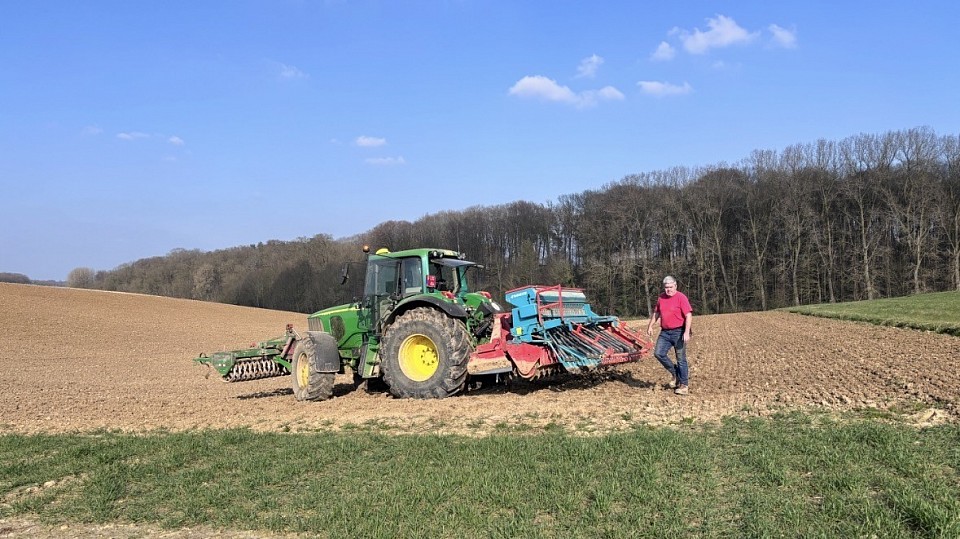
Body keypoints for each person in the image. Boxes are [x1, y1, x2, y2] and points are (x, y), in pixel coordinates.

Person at [646, 276, 693, 395]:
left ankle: (684, 385)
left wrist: (686, 332)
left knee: (681, 358)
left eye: (671, 287)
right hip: (665, 332)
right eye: (666, 287)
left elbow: (688, 315)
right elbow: (657, 312)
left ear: (675, 286)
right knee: (658, 353)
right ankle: (675, 373)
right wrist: (650, 325)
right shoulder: (661, 298)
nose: (669, 290)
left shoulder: (681, 297)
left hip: (679, 332)